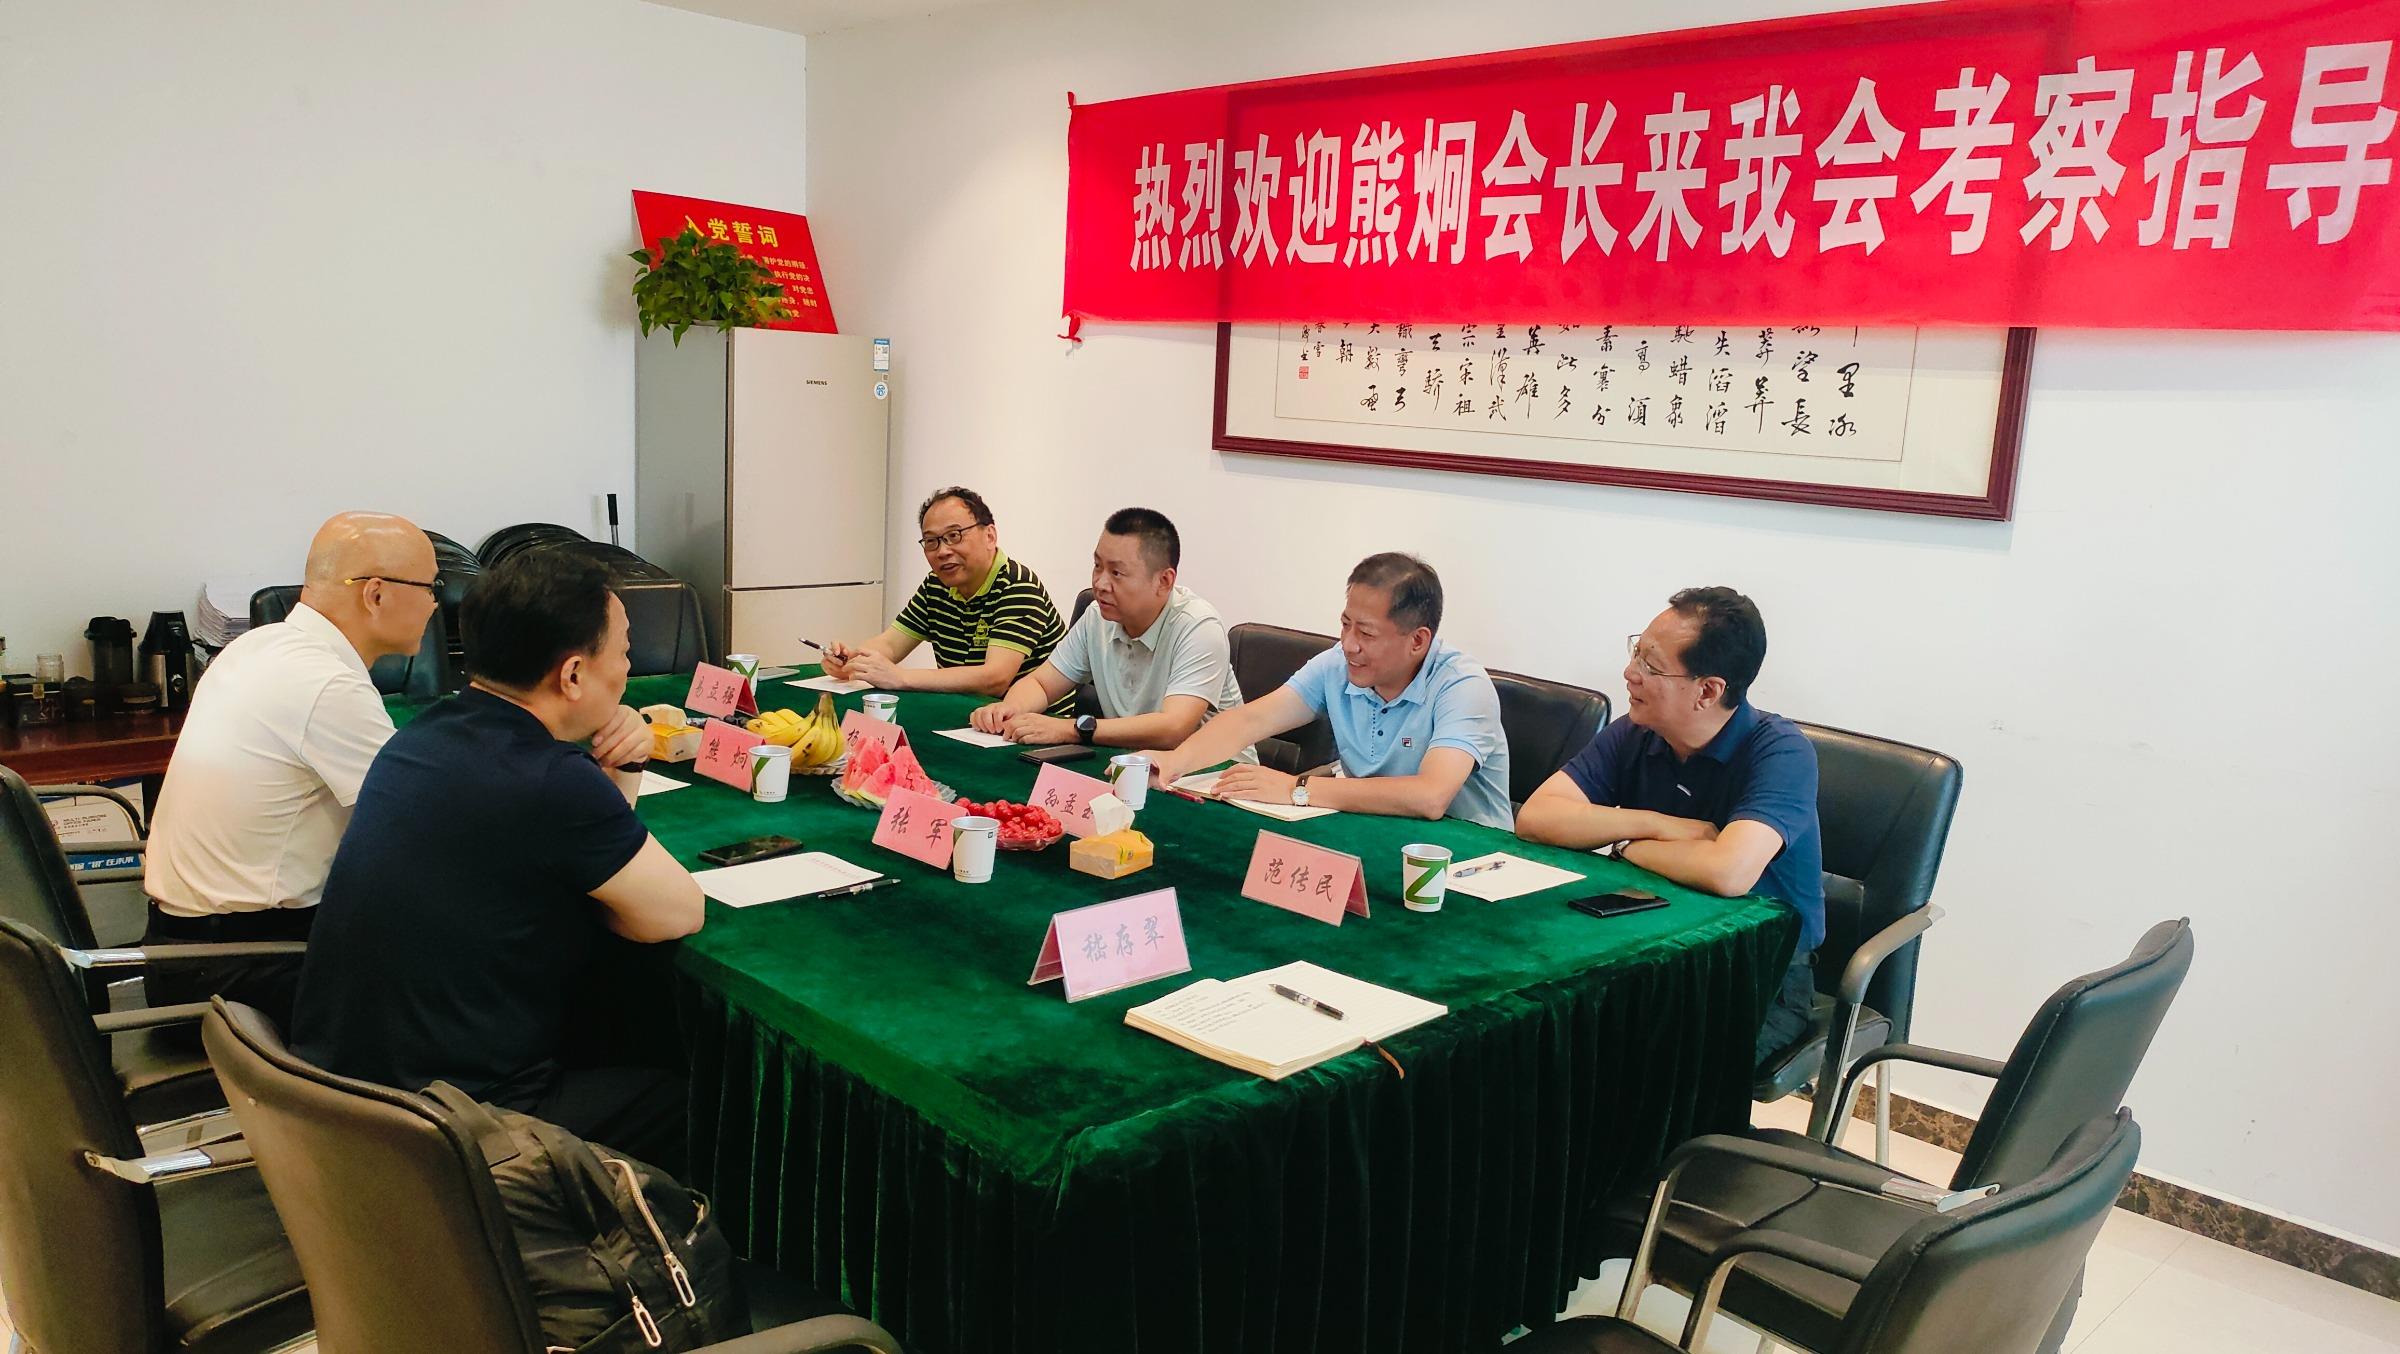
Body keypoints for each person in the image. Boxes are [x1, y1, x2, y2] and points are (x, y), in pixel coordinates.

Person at [292, 549, 704, 1170]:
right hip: (456, 1127)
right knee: (696, 1098)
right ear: (573, 674)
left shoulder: (422, 735)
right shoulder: (548, 778)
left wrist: (623, 765)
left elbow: (592, 861)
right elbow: (675, 914)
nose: (627, 668)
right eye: (623, 651)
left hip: (343, 1096)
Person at [142, 511, 441, 1026]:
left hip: (186, 953)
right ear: (375, 594)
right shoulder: (324, 683)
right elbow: (431, 826)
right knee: (477, 971)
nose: (435, 604)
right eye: (430, 587)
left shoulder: (255, 647)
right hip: (241, 974)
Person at [1514, 587, 1823, 1069]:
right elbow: (1536, 817)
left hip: (1757, 972)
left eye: (1652, 666)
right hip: (1648, 946)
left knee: (1640, 1066)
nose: (1630, 672)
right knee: (1541, 1023)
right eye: (1636, 651)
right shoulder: (1636, 731)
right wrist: (1655, 825)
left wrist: (1626, 846)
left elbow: (1728, 871)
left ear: (1708, 691)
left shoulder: (1780, 751)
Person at [1144, 553, 1511, 830]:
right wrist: (1175, 762)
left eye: (1366, 633)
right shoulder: (1338, 664)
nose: (1349, 644)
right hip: (1374, 832)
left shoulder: (1462, 686)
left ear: (1418, 641)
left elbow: (1430, 796)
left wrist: (1296, 789)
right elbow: (1249, 720)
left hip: (1472, 862)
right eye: (1345, 625)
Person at [968, 507, 1249, 756]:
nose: (1100, 584)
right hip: (1136, 763)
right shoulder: (1097, 617)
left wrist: (1071, 729)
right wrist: (1010, 710)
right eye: (1097, 566)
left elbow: (1173, 728)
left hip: (1214, 775)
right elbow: (1042, 684)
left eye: (1116, 573)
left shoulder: (1198, 626)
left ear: (1164, 581)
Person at [821, 486, 1070, 714]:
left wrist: (900, 677)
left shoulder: (1018, 585)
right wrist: (852, 660)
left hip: (1035, 725)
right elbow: (891, 645)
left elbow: (995, 678)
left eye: (954, 535)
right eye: (931, 541)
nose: (942, 551)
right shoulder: (936, 585)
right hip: (967, 718)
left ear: (990, 536)